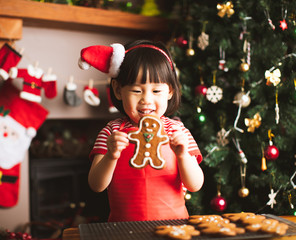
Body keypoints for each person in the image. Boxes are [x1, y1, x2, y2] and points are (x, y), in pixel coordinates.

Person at [78, 40, 204, 222]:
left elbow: (195, 185)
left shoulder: (178, 131)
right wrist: (111, 156)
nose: (146, 99)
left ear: (169, 92)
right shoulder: (111, 132)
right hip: (122, 229)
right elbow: (96, 185)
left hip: (173, 227)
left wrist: (183, 156)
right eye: (137, 90)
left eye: (156, 91)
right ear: (118, 90)